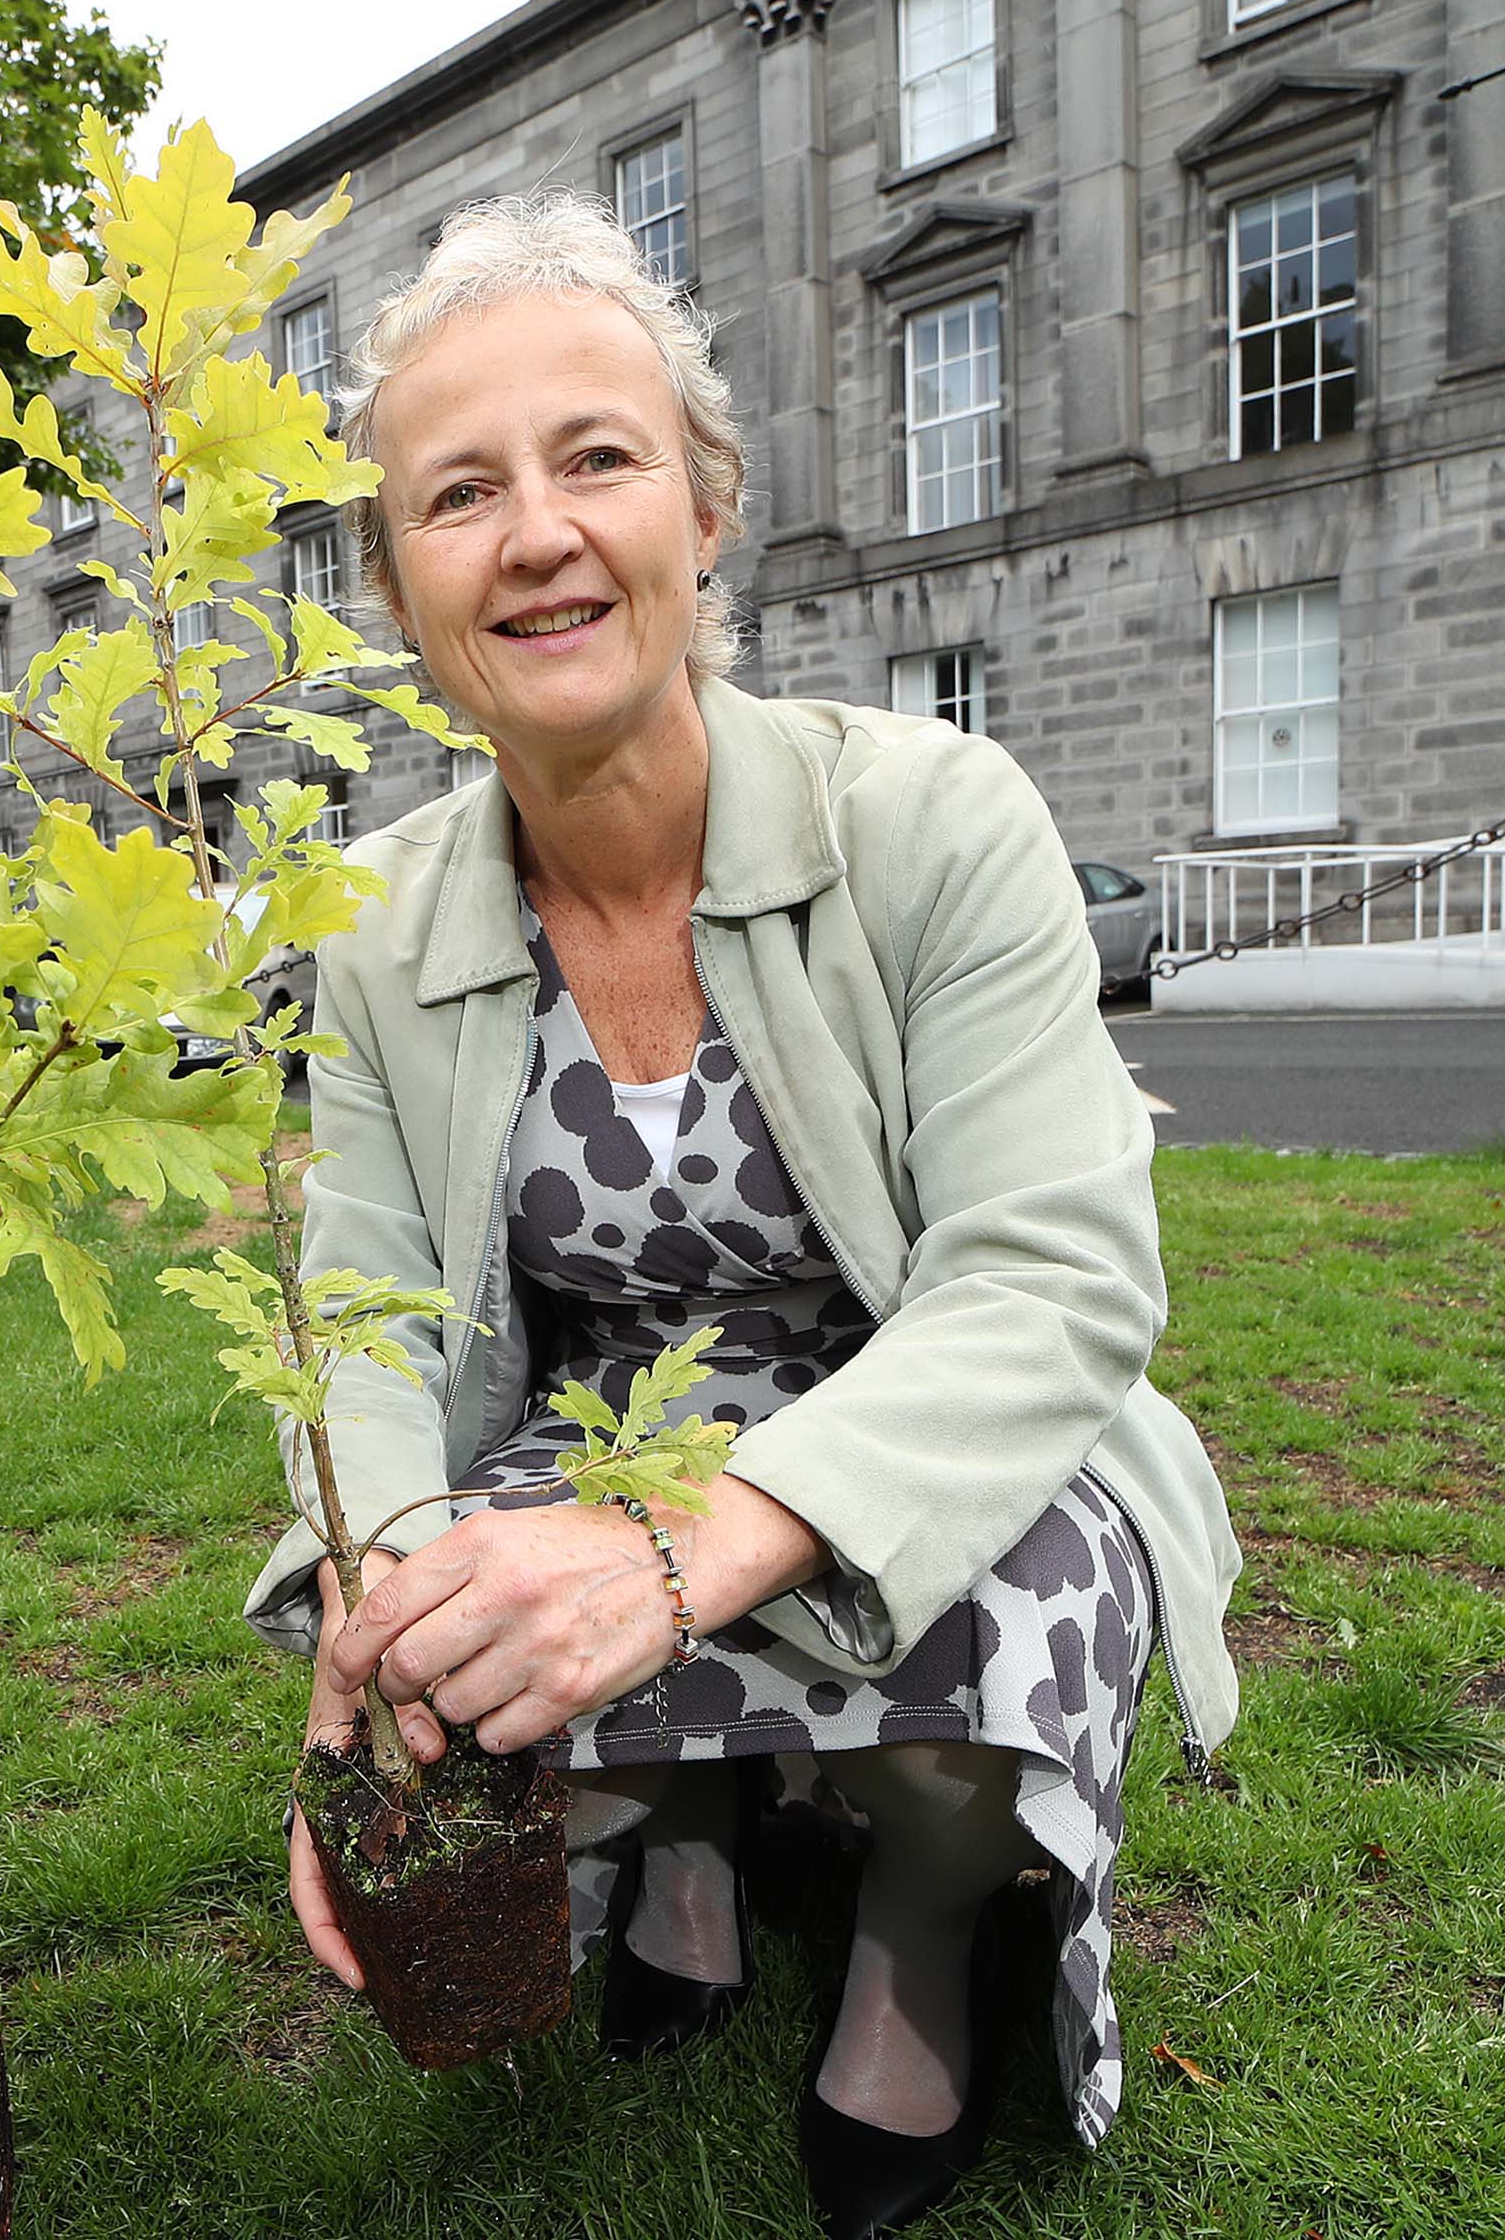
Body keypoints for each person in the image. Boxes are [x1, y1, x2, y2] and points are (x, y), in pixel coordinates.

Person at [253, 193, 1241, 2238]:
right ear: (398, 582)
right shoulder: (364, 933)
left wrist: (686, 1553)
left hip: (908, 1406)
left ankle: (912, 1917)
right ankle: (684, 1830)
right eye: (458, 492)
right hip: (601, 1412)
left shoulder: (933, 817)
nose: (535, 531)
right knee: (483, 1580)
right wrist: (391, 1591)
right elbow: (353, 1303)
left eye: (596, 458)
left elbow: (1052, 1277)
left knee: (1026, 1581)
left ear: (705, 509)